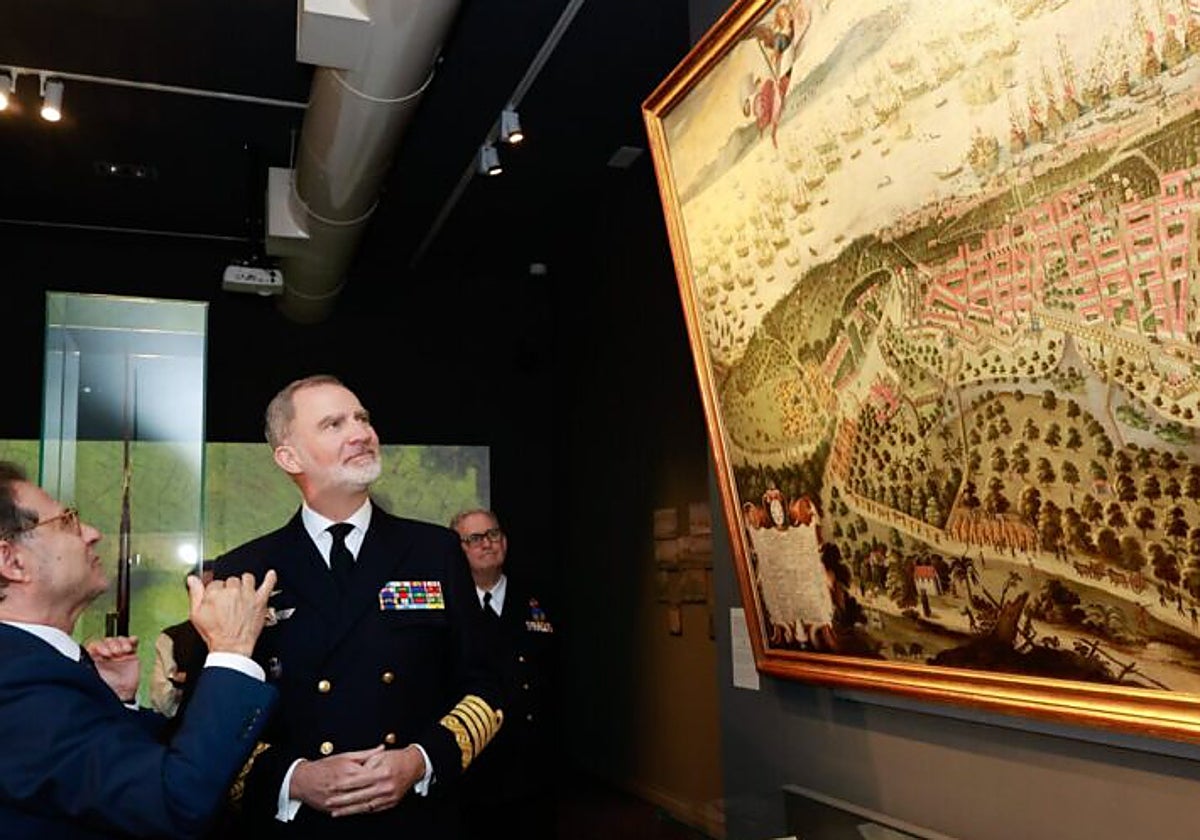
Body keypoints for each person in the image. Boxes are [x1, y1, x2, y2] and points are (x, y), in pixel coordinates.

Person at [216, 374, 503, 838]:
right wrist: (294, 779)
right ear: (289, 457)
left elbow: (488, 685)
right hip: (301, 825)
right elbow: (211, 721)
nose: (361, 433)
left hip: (417, 819)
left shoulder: (434, 550)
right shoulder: (246, 569)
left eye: (362, 418)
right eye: (333, 424)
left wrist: (420, 760)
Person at [0, 461, 278, 839]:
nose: (93, 534)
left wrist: (119, 706)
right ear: (12, 561)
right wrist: (231, 650)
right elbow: (174, 803)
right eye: (67, 521)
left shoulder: (37, 669)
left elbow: (114, 779)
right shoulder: (15, 683)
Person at [451, 509, 557, 839]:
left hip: (529, 765)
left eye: (493, 534)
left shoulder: (537, 599)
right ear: (458, 550)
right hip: (470, 766)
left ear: (505, 541)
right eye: (475, 538)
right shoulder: (448, 607)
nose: (487, 544)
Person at [150, 564, 213, 720]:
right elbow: (163, 703)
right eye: (202, 590)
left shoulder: (250, 632)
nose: (209, 597)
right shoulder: (171, 637)